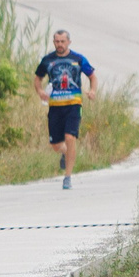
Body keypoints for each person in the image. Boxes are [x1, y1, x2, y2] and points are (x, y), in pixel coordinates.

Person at [33, 29, 98, 189]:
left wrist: (92, 90)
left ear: (69, 42)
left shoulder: (78, 58)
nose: (60, 44)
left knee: (70, 138)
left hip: (73, 105)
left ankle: (67, 177)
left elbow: (92, 76)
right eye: (57, 41)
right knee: (56, 144)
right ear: (53, 42)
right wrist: (40, 91)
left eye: (62, 41)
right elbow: (37, 78)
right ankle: (64, 152)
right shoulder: (48, 60)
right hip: (55, 107)